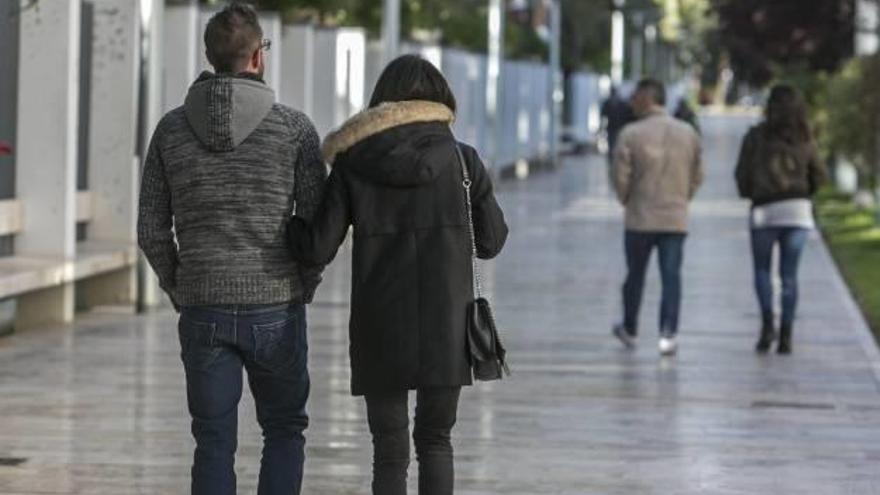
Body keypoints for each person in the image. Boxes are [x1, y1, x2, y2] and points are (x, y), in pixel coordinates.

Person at [286, 54, 508, 495]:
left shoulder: (353, 163)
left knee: (388, 449)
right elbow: (491, 241)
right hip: (448, 324)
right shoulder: (463, 162)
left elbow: (316, 248)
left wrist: (287, 222)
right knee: (436, 440)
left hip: (380, 325)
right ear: (441, 101)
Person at [136, 3, 326, 494]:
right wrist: (303, 283)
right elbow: (319, 225)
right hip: (276, 306)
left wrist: (181, 285)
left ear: (208, 55)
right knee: (284, 429)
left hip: (203, 305)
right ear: (258, 57)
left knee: (212, 440)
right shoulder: (295, 130)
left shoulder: (171, 130)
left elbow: (151, 228)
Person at [611, 78, 704, 356]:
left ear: (649, 99)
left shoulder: (630, 134)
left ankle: (630, 327)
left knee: (635, 276)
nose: (632, 103)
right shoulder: (688, 133)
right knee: (671, 276)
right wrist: (683, 197)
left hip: (640, 217)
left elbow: (620, 176)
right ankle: (668, 333)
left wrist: (626, 198)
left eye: (636, 97)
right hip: (675, 218)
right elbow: (698, 174)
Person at [734, 85, 826, 354]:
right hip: (797, 211)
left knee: (762, 271)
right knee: (789, 276)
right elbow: (819, 175)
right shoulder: (805, 139)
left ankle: (766, 326)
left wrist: (750, 192)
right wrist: (805, 191)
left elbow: (742, 174)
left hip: (764, 210)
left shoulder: (755, 137)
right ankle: (786, 334)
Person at [600, 85, 636, 163]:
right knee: (615, 147)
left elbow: (603, 116)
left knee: (615, 147)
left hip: (616, 128)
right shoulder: (617, 103)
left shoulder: (610, 103)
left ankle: (614, 162)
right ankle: (614, 162)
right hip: (615, 128)